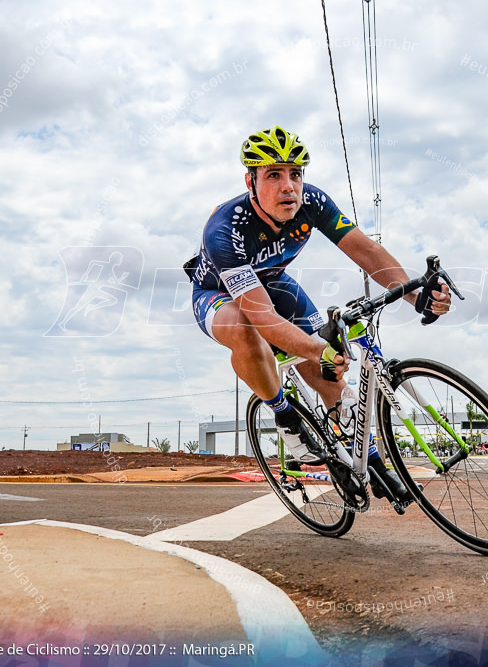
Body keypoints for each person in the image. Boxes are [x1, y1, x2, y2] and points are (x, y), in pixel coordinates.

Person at [185, 126, 451, 502]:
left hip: (276, 284)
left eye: (295, 174)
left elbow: (367, 252)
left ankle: (366, 460)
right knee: (251, 333)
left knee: (330, 376)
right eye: (273, 175)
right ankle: (285, 416)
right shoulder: (225, 229)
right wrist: (316, 348)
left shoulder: (313, 203)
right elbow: (262, 317)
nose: (289, 186)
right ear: (250, 181)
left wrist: (415, 294)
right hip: (219, 295)